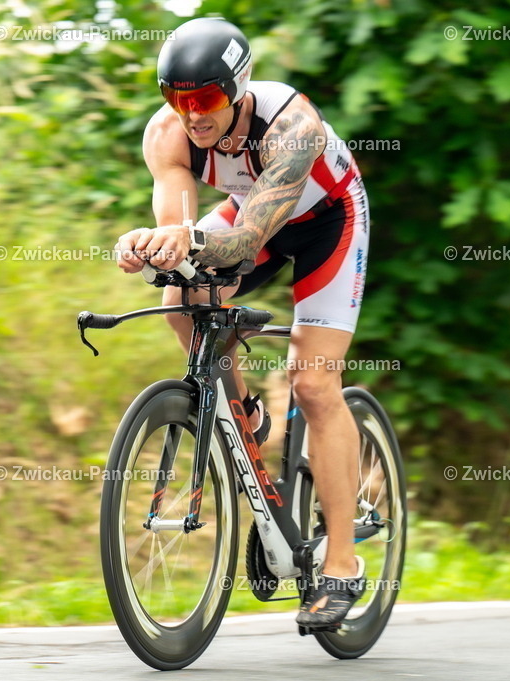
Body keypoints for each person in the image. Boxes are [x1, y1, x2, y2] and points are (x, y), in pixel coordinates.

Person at [114, 17, 370, 630]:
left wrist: (193, 238)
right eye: (177, 98)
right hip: (247, 215)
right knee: (182, 293)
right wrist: (151, 245)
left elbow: (249, 235)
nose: (191, 114)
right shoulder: (168, 134)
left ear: (238, 87)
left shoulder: (291, 126)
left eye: (204, 99)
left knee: (313, 386)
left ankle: (342, 564)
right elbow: (179, 225)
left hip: (326, 224)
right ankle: (244, 414)